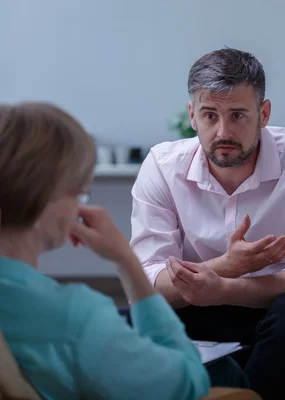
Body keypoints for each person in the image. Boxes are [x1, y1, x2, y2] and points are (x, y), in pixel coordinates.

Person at [129, 48, 285, 400]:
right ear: (192, 115)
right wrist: (225, 267)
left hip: (283, 312)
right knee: (125, 323)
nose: (223, 131)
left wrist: (226, 286)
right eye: (209, 116)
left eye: (237, 115)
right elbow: (146, 285)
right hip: (200, 308)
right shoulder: (162, 165)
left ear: (263, 113)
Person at [0, 102, 242, 400]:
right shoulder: (73, 319)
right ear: (40, 196)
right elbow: (187, 384)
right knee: (226, 371)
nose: (80, 204)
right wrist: (128, 262)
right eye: (78, 189)